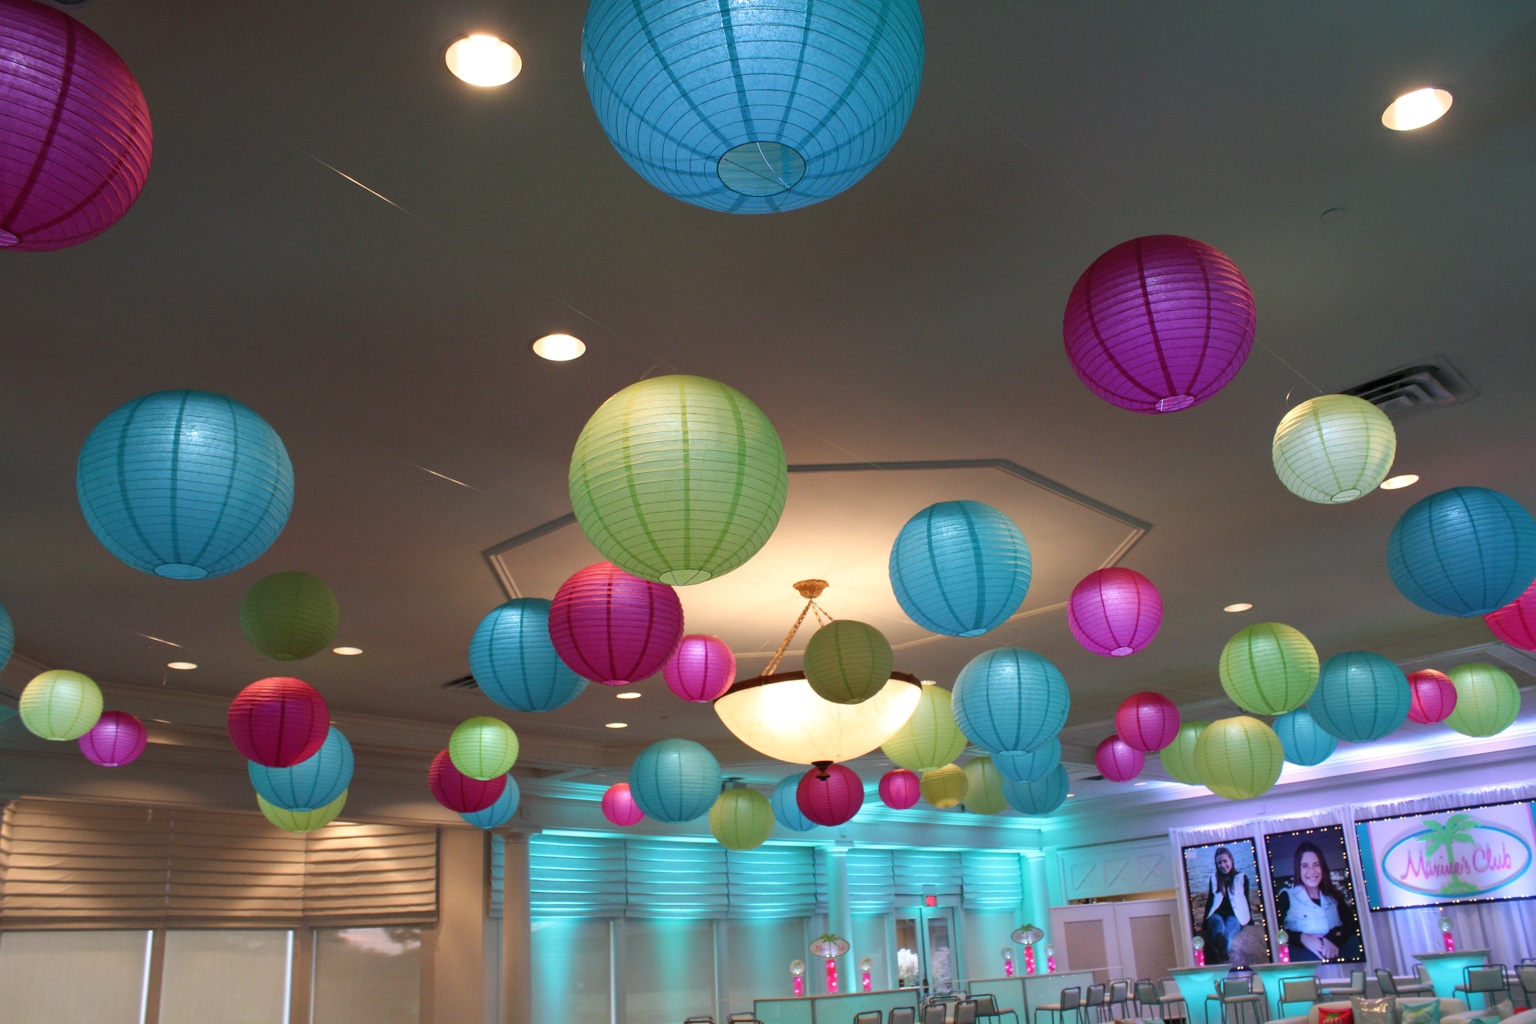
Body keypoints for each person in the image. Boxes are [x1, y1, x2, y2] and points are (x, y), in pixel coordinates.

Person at [1275, 842, 1360, 961]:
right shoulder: (1287, 896)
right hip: (1303, 965)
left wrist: (1333, 938)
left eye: (1316, 864)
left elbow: (1352, 925)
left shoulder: (1333, 897)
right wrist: (1301, 938)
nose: (1312, 871)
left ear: (1323, 867)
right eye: (1305, 866)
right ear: (1298, 869)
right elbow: (1275, 934)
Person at [1200, 846, 1251, 963]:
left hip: (1235, 914)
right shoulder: (1214, 878)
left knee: (1228, 932)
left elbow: (1246, 899)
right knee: (1218, 926)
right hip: (1216, 913)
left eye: (1225, 861)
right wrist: (1204, 923)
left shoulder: (1241, 877)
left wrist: (1249, 920)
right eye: (1219, 863)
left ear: (1231, 860)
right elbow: (1210, 899)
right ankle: (1221, 949)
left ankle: (1219, 953)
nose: (1222, 865)